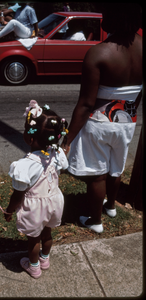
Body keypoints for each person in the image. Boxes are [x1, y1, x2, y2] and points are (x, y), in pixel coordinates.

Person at [61, 3, 142, 233]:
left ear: (115, 17)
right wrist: (130, 111)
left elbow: (86, 103)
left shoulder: (98, 52)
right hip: (128, 120)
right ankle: (110, 207)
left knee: (97, 175)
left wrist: (67, 140)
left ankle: (95, 221)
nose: (102, 18)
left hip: (99, 123)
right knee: (116, 167)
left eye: (106, 14)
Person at [0, 100, 69, 279]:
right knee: (47, 233)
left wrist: (9, 210)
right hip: (54, 201)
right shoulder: (57, 154)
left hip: (36, 208)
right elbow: (63, 160)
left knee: (33, 240)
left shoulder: (25, 165)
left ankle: (34, 267)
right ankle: (45, 259)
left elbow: (18, 193)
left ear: (30, 138)